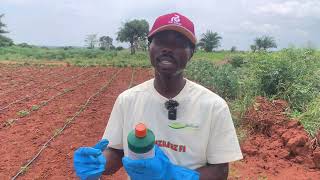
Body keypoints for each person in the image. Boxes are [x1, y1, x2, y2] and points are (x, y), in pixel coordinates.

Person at [73, 12, 243, 180]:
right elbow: (117, 151)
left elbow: (220, 171)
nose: (168, 49)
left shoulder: (213, 106)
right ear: (149, 47)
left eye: (178, 44)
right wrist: (100, 162)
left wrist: (175, 177)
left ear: (191, 53)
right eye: (160, 41)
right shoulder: (128, 100)